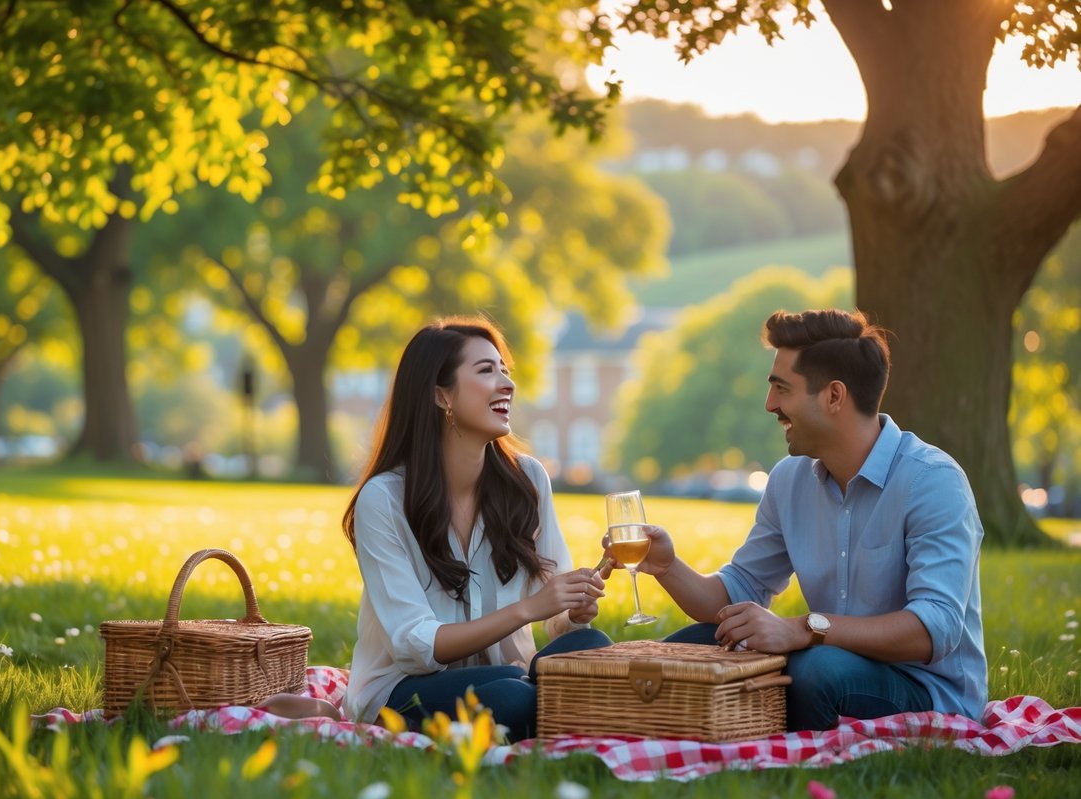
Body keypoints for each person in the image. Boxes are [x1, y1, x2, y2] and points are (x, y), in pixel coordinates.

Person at [627, 308, 986, 731]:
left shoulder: (932, 481)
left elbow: (933, 629)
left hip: (925, 688)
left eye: (782, 389)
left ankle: (769, 750)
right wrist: (667, 567)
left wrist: (804, 629)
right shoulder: (789, 481)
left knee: (813, 671)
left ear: (834, 396)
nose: (770, 405)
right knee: (688, 651)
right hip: (824, 658)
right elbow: (738, 591)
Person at [341, 317, 612, 740]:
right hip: (404, 690)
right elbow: (415, 647)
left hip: (510, 673)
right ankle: (551, 704)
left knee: (593, 648)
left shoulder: (528, 481)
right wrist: (527, 609)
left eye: (505, 369)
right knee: (512, 696)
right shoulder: (385, 499)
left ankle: (542, 699)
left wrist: (573, 608)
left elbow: (556, 615)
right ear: (440, 394)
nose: (506, 383)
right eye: (486, 370)